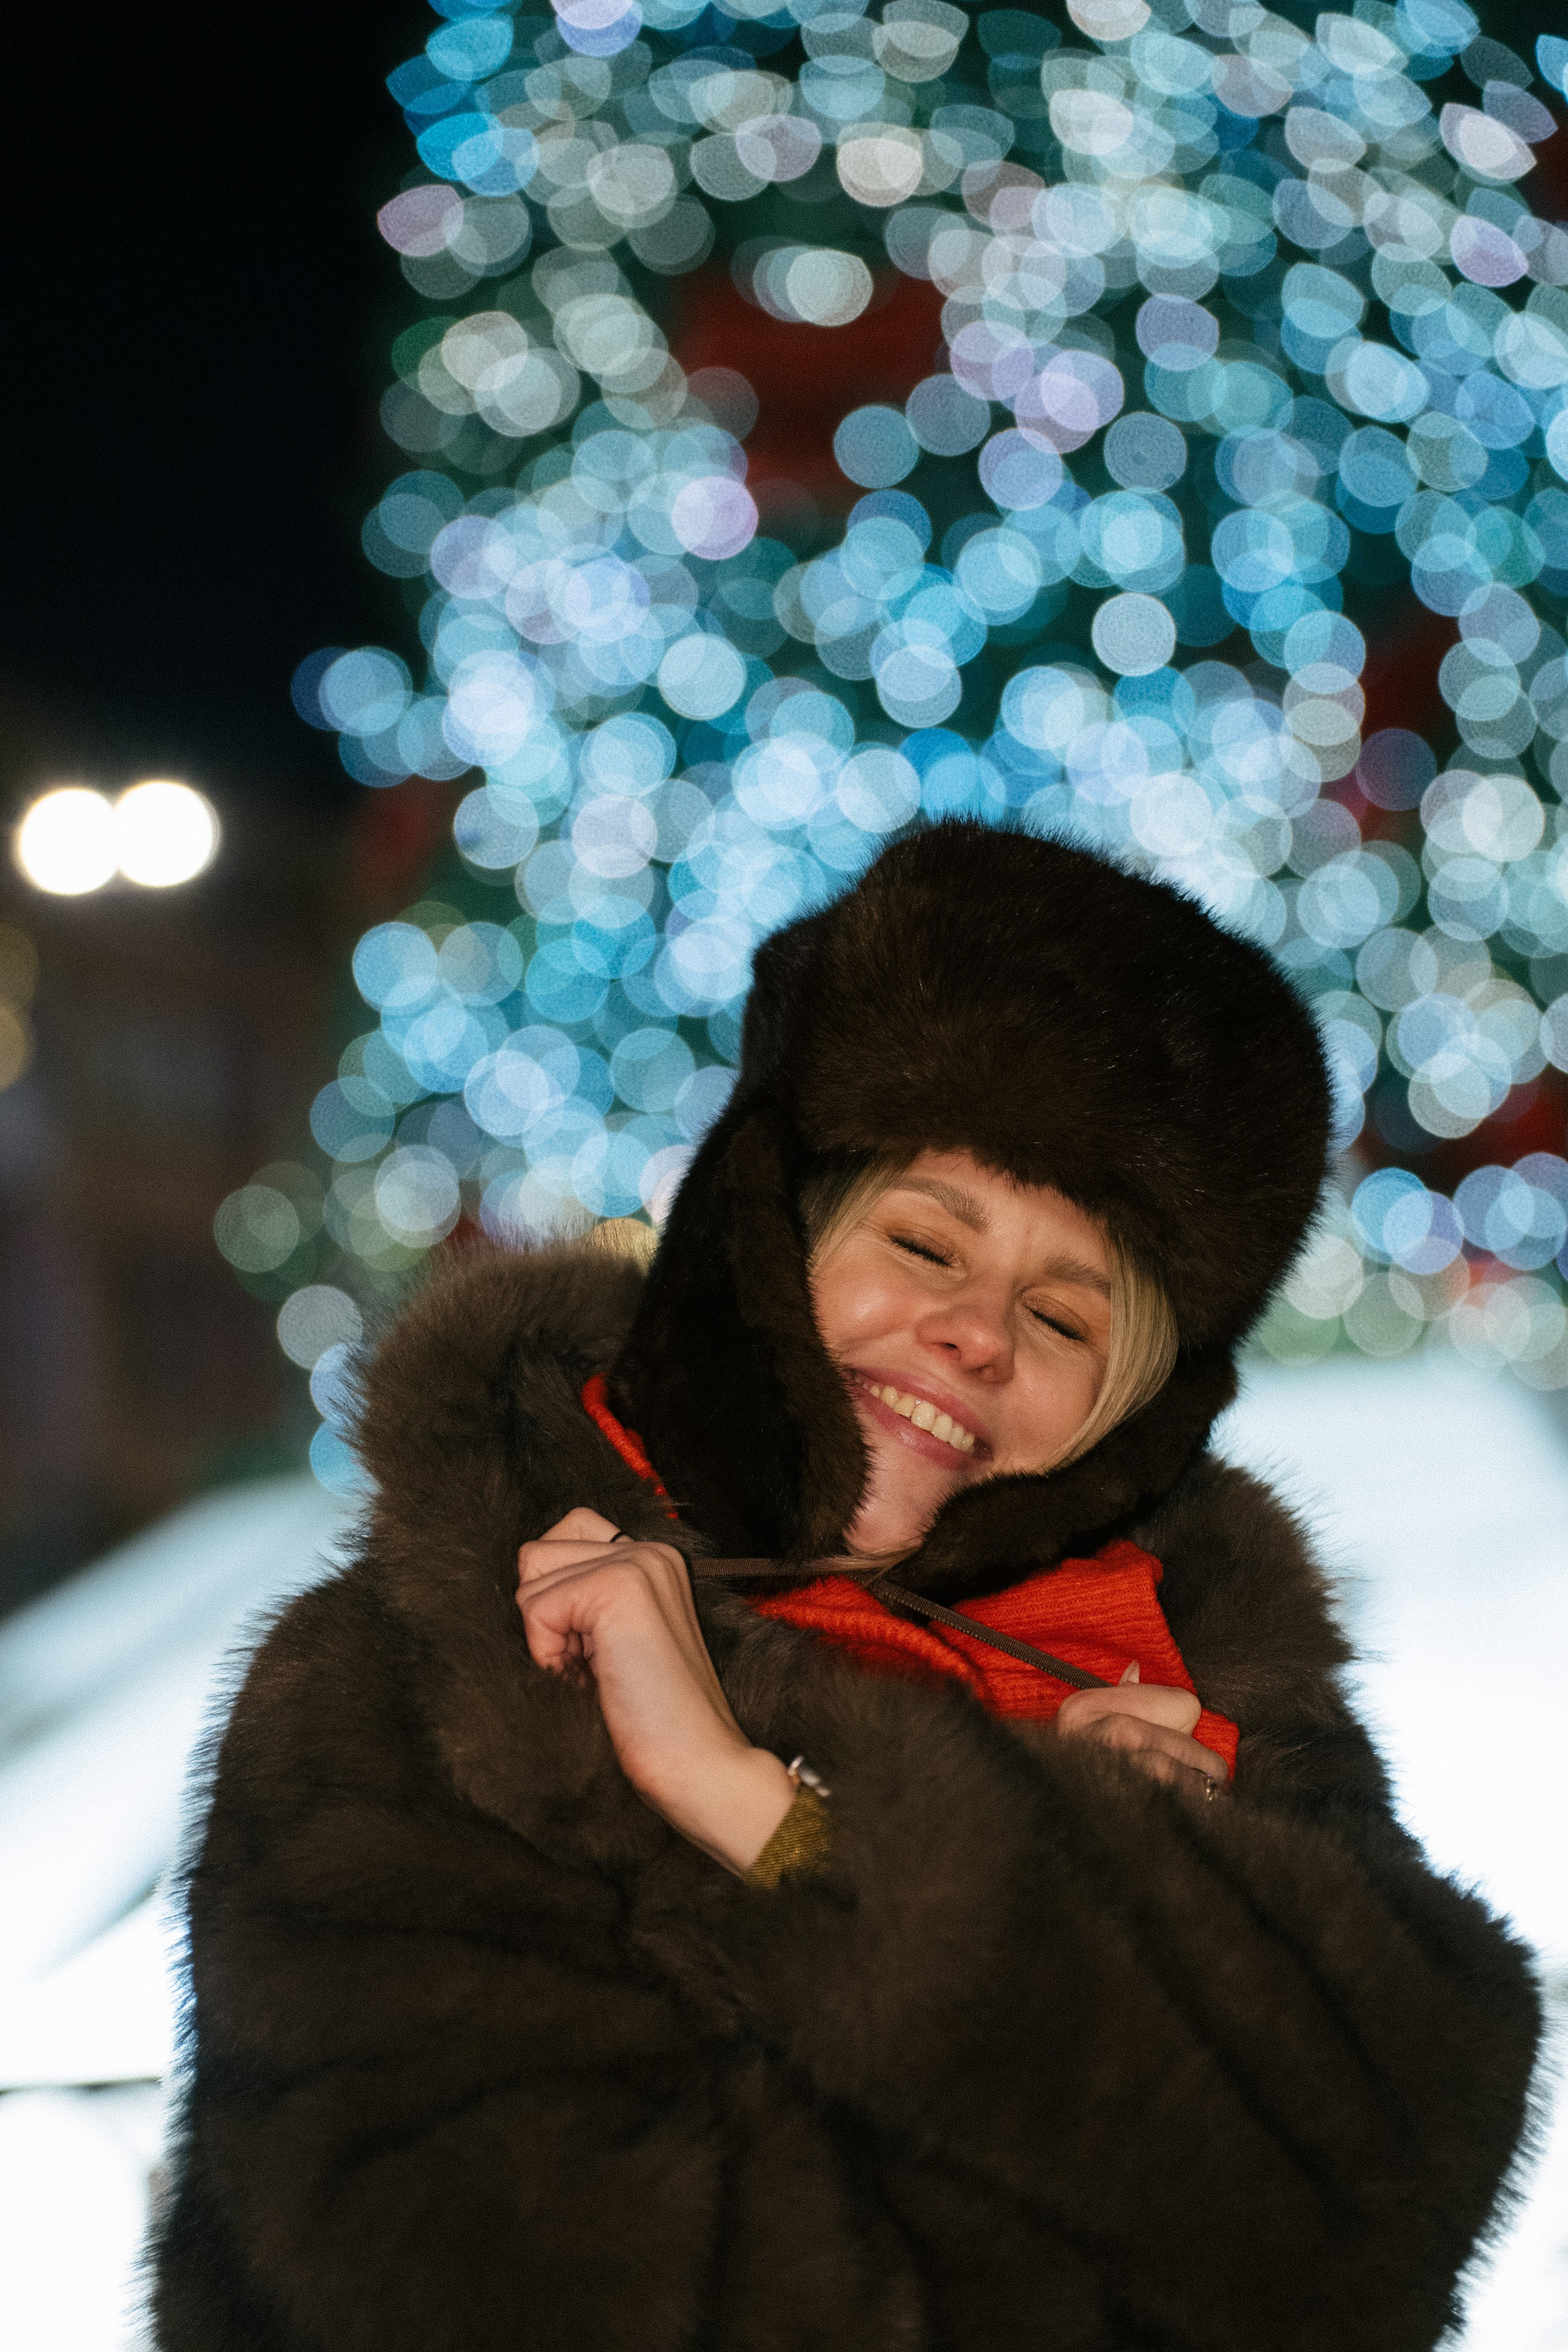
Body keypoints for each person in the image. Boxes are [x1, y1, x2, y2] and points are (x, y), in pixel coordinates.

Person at [153, 822, 1539, 2352]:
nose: (976, 1334)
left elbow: (1387, 2192)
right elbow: (537, 2276)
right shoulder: (432, 1657)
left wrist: (769, 1811)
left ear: (1127, 1413)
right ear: (772, 1238)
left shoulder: (1194, 1690)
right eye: (924, 1244)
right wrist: (1114, 1955)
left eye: (1063, 1320)